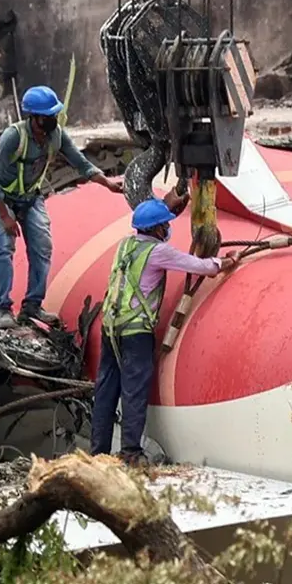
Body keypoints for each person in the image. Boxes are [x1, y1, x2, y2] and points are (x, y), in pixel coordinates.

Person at [90, 198, 238, 466]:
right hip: (135, 332)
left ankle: (98, 453)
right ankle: (131, 453)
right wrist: (224, 263)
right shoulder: (158, 251)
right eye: (166, 224)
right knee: (134, 390)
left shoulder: (126, 245)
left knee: (106, 390)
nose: (168, 228)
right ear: (158, 229)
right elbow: (197, 265)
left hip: (110, 326)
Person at [0, 85, 125, 330]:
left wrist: (107, 183)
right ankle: (3, 308)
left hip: (30, 198)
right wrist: (5, 216)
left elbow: (80, 163)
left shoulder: (56, 135)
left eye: (54, 115)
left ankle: (32, 306)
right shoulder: (14, 137)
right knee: (5, 248)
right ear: (34, 118)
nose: (53, 120)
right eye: (48, 116)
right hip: (2, 198)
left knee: (42, 247)